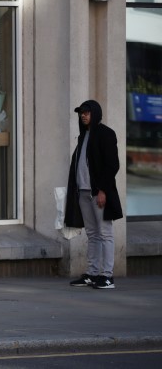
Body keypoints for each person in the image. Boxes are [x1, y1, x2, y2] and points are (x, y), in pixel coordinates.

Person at [65, 100, 122, 290]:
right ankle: (92, 273)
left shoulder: (106, 134)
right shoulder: (83, 136)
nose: (83, 115)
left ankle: (107, 276)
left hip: (98, 193)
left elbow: (112, 165)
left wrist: (103, 190)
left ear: (95, 113)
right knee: (92, 234)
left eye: (87, 112)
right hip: (83, 192)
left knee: (105, 233)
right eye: (81, 112)